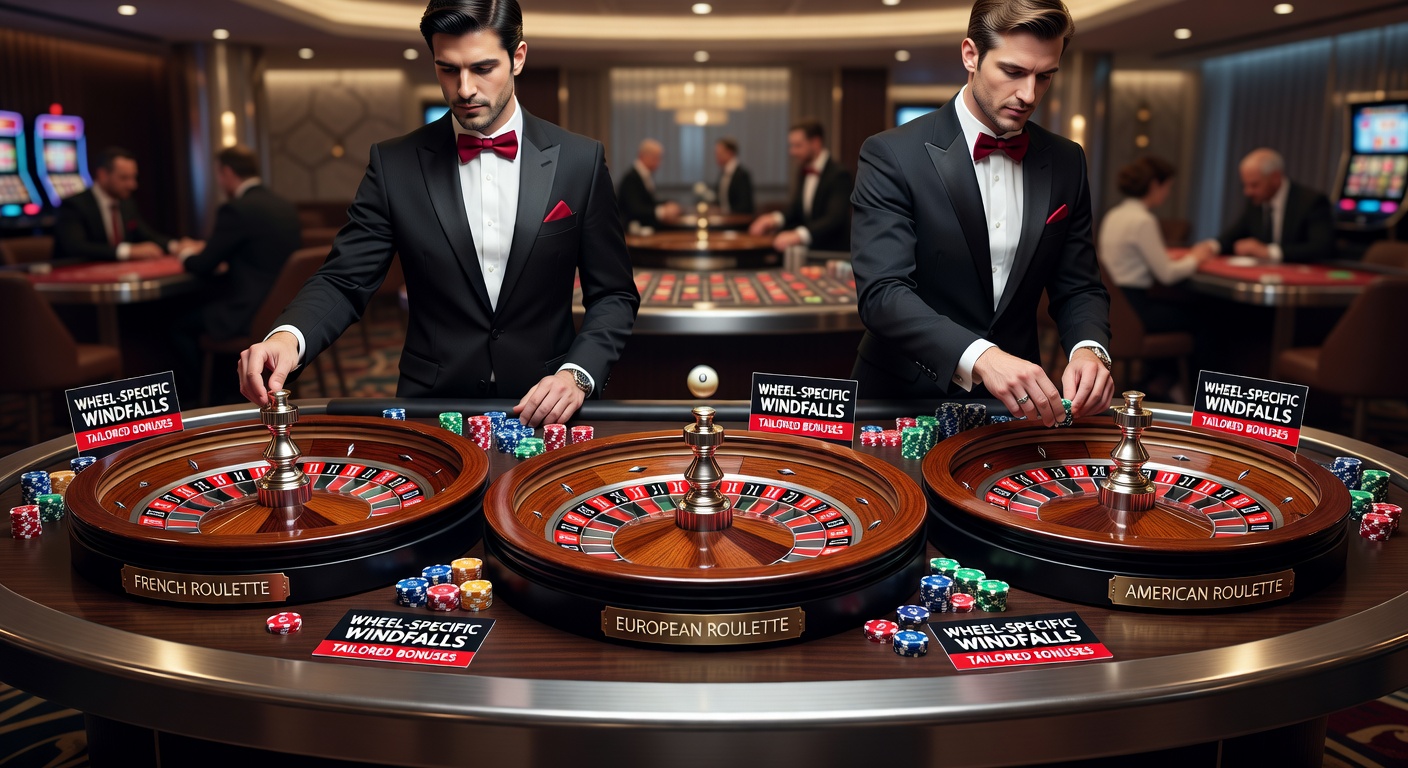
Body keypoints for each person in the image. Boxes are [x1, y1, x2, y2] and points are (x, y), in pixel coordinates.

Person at [238, 0, 639, 426]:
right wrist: (288, 336)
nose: (464, 89)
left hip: (546, 407)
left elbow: (613, 294)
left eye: (482, 68)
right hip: (431, 407)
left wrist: (577, 374)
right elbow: (344, 279)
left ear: (517, 58)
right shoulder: (394, 164)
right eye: (448, 69)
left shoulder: (580, 160)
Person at [849, 0, 1113, 425]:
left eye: (1045, 76)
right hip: (904, 396)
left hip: (1022, 401)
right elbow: (883, 294)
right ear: (970, 55)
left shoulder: (1067, 160)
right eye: (1013, 72)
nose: (1029, 94)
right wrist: (982, 356)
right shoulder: (890, 154)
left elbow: (1079, 286)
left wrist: (1088, 347)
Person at [171, 146, 301, 398]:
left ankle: (196, 401)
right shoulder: (285, 206)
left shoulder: (237, 209)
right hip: (280, 311)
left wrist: (184, 252)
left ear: (227, 172)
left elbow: (203, 264)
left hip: (245, 314)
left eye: (219, 175)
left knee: (176, 325)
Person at [1099, 155, 1212, 331]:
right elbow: (1167, 275)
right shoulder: (1144, 220)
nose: (1167, 194)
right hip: (1134, 308)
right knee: (1204, 319)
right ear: (1154, 186)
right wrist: (1196, 258)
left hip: (1112, 307)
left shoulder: (1113, 214)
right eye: (1168, 187)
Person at [53, 146, 194, 262]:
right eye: (124, 178)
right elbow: (76, 247)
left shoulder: (126, 203)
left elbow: (146, 235)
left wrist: (175, 246)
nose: (133, 185)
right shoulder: (73, 205)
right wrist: (127, 251)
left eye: (133, 177)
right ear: (103, 175)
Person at [1206, 147, 1334, 263]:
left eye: (1254, 185)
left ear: (1275, 178)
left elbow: (1321, 247)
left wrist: (1269, 252)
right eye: (1245, 185)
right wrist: (1211, 246)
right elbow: (1234, 235)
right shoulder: (1257, 200)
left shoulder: (1312, 201)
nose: (1247, 192)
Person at [749, 119, 852, 253]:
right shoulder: (803, 170)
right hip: (808, 253)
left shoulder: (839, 174)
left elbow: (834, 218)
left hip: (831, 254)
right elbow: (796, 209)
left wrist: (799, 235)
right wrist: (773, 219)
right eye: (791, 146)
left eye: (798, 145)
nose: (792, 152)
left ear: (815, 143)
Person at [616, 139, 681, 230]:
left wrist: (667, 203)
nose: (659, 163)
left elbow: (649, 201)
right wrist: (662, 211)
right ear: (643, 156)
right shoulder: (631, 178)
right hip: (633, 231)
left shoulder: (643, 175)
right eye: (656, 158)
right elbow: (635, 209)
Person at [714, 137, 754, 215]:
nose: (716, 157)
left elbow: (745, 206)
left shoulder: (742, 175)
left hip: (737, 222)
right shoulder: (723, 173)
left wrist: (725, 212)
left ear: (729, 153)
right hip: (724, 220)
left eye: (719, 153)